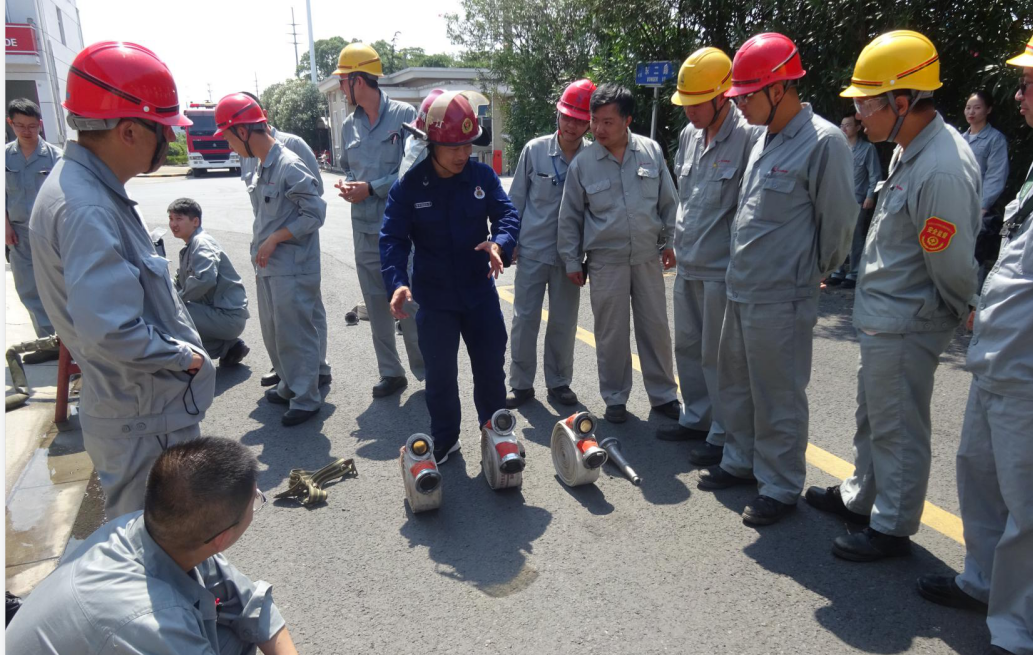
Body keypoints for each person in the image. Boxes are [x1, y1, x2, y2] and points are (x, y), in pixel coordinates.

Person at [805, 30, 981, 560]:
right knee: (875, 416)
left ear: (902, 102)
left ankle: (893, 525)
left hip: (909, 320)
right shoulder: (911, 148)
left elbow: (951, 264)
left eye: (867, 102)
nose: (859, 114)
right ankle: (863, 497)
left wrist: (956, 311)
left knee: (899, 426)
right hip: (887, 317)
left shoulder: (942, 165)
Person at [28, 41, 216, 517]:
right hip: (142, 419)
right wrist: (185, 359)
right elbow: (112, 330)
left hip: (136, 412)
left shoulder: (85, 191)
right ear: (129, 130)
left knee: (159, 548)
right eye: (163, 131)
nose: (169, 143)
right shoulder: (87, 207)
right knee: (155, 551)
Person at [697, 32, 855, 526]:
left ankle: (781, 485)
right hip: (742, 285)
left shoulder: (823, 143)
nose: (738, 104)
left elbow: (839, 227)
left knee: (778, 394)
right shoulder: (764, 136)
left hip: (781, 295)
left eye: (746, 95)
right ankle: (741, 461)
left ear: (779, 89)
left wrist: (808, 274)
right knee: (738, 383)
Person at [917, 35, 1033, 655]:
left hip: (1028, 368)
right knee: (979, 475)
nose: (1018, 95)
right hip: (999, 359)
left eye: (1028, 84)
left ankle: (1018, 630)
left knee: (1028, 503)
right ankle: (983, 582)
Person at [5, 437, 298, 654]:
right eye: (256, 500)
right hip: (124, 630)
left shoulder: (154, 527)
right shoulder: (152, 622)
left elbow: (248, 602)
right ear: (222, 538)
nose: (257, 499)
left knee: (232, 637)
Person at [381, 90, 519, 464]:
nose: (463, 154)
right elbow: (392, 238)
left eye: (468, 146)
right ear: (431, 142)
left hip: (479, 293)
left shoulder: (481, 176)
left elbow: (507, 214)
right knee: (440, 376)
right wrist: (397, 282)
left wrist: (500, 244)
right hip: (436, 298)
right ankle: (446, 438)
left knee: (490, 366)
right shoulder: (409, 186)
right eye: (453, 146)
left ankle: (495, 432)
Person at [655, 47, 763, 469]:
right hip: (689, 261)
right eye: (686, 105)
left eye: (698, 104)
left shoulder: (750, 137)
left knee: (721, 359)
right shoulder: (688, 135)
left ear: (724, 96)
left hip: (722, 268)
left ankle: (722, 435)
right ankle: (697, 418)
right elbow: (687, 198)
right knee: (688, 347)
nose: (690, 113)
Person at [557, 83, 681, 424]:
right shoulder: (583, 163)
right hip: (605, 261)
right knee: (610, 333)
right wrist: (571, 259)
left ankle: (664, 396)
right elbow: (570, 216)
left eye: (608, 122)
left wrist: (670, 241)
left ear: (627, 120)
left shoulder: (651, 152)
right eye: (595, 120)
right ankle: (615, 398)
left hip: (646, 257)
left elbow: (668, 202)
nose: (598, 129)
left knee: (655, 328)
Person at [215, 93, 326, 426]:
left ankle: (306, 398)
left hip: (292, 267)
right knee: (275, 332)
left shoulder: (288, 164)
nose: (230, 146)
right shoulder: (264, 164)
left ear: (244, 131)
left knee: (295, 334)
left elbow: (315, 212)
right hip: (272, 268)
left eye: (229, 137)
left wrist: (277, 237)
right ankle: (290, 385)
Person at [335, 42, 425, 398]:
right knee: (375, 303)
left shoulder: (406, 115)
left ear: (359, 80)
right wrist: (348, 186)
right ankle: (392, 372)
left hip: (401, 231)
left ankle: (427, 373)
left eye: (343, 81)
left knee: (410, 304)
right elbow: (347, 169)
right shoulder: (348, 126)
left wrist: (371, 188)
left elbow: (414, 169)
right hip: (363, 229)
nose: (342, 88)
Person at [505, 78, 596, 409]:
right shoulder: (535, 150)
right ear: (557, 115)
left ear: (589, 122)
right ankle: (521, 384)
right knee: (524, 318)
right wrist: (509, 240)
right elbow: (515, 200)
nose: (572, 125)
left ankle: (559, 383)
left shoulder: (592, 158)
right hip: (532, 250)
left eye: (579, 119)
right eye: (566, 117)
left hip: (570, 256)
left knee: (563, 322)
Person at [236, 91, 331, 391]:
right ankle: (289, 375)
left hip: (295, 252)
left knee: (304, 316)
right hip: (270, 253)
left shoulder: (291, 149)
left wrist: (278, 236)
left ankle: (315, 371)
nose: (229, 144)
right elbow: (260, 208)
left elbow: (313, 203)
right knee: (278, 323)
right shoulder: (250, 154)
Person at [5, 98, 61, 361]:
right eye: (20, 126)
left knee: (58, 287)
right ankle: (47, 343)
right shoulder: (5, 157)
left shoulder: (55, 157)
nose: (26, 131)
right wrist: (5, 227)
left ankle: (67, 340)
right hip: (18, 234)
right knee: (28, 288)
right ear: (10, 124)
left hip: (50, 234)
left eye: (31, 126)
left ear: (40, 125)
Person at [168, 197, 250, 366]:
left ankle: (187, 362)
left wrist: (176, 301)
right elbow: (180, 282)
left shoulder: (201, 243)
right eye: (171, 219)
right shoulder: (191, 246)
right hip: (217, 314)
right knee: (173, 310)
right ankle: (229, 347)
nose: (173, 224)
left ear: (195, 221)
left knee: (172, 314)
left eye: (179, 219)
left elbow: (204, 279)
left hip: (227, 317)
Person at [826, 111, 881, 289]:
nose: (844, 128)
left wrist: (870, 195)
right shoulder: (838, 147)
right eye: (842, 125)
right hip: (838, 199)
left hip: (857, 199)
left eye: (848, 125)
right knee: (837, 235)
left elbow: (874, 174)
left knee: (854, 237)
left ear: (857, 127)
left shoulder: (867, 149)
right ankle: (837, 271)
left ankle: (854, 272)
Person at [962, 90, 1010, 281]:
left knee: (975, 255)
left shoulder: (995, 139)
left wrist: (982, 207)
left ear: (988, 110)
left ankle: (973, 305)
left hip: (978, 209)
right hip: (957, 203)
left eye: (977, 107)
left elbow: (996, 176)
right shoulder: (960, 139)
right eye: (968, 107)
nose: (971, 112)